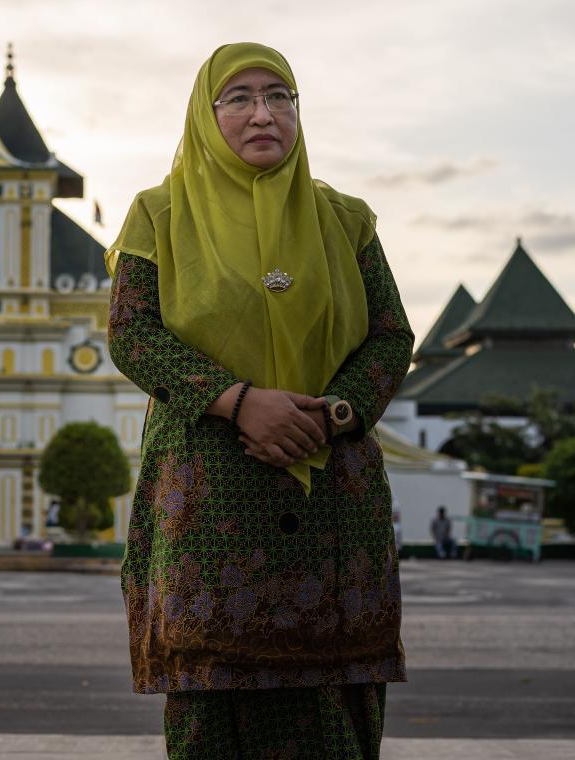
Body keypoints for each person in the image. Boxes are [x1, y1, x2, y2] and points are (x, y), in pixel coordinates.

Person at [106, 43, 414, 759]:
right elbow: (132, 334)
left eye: (281, 97)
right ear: (205, 115)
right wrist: (237, 401)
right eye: (238, 97)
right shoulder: (159, 215)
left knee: (335, 704)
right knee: (217, 702)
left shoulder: (346, 220)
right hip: (210, 497)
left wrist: (330, 415)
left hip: (332, 497)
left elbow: (391, 336)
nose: (262, 113)